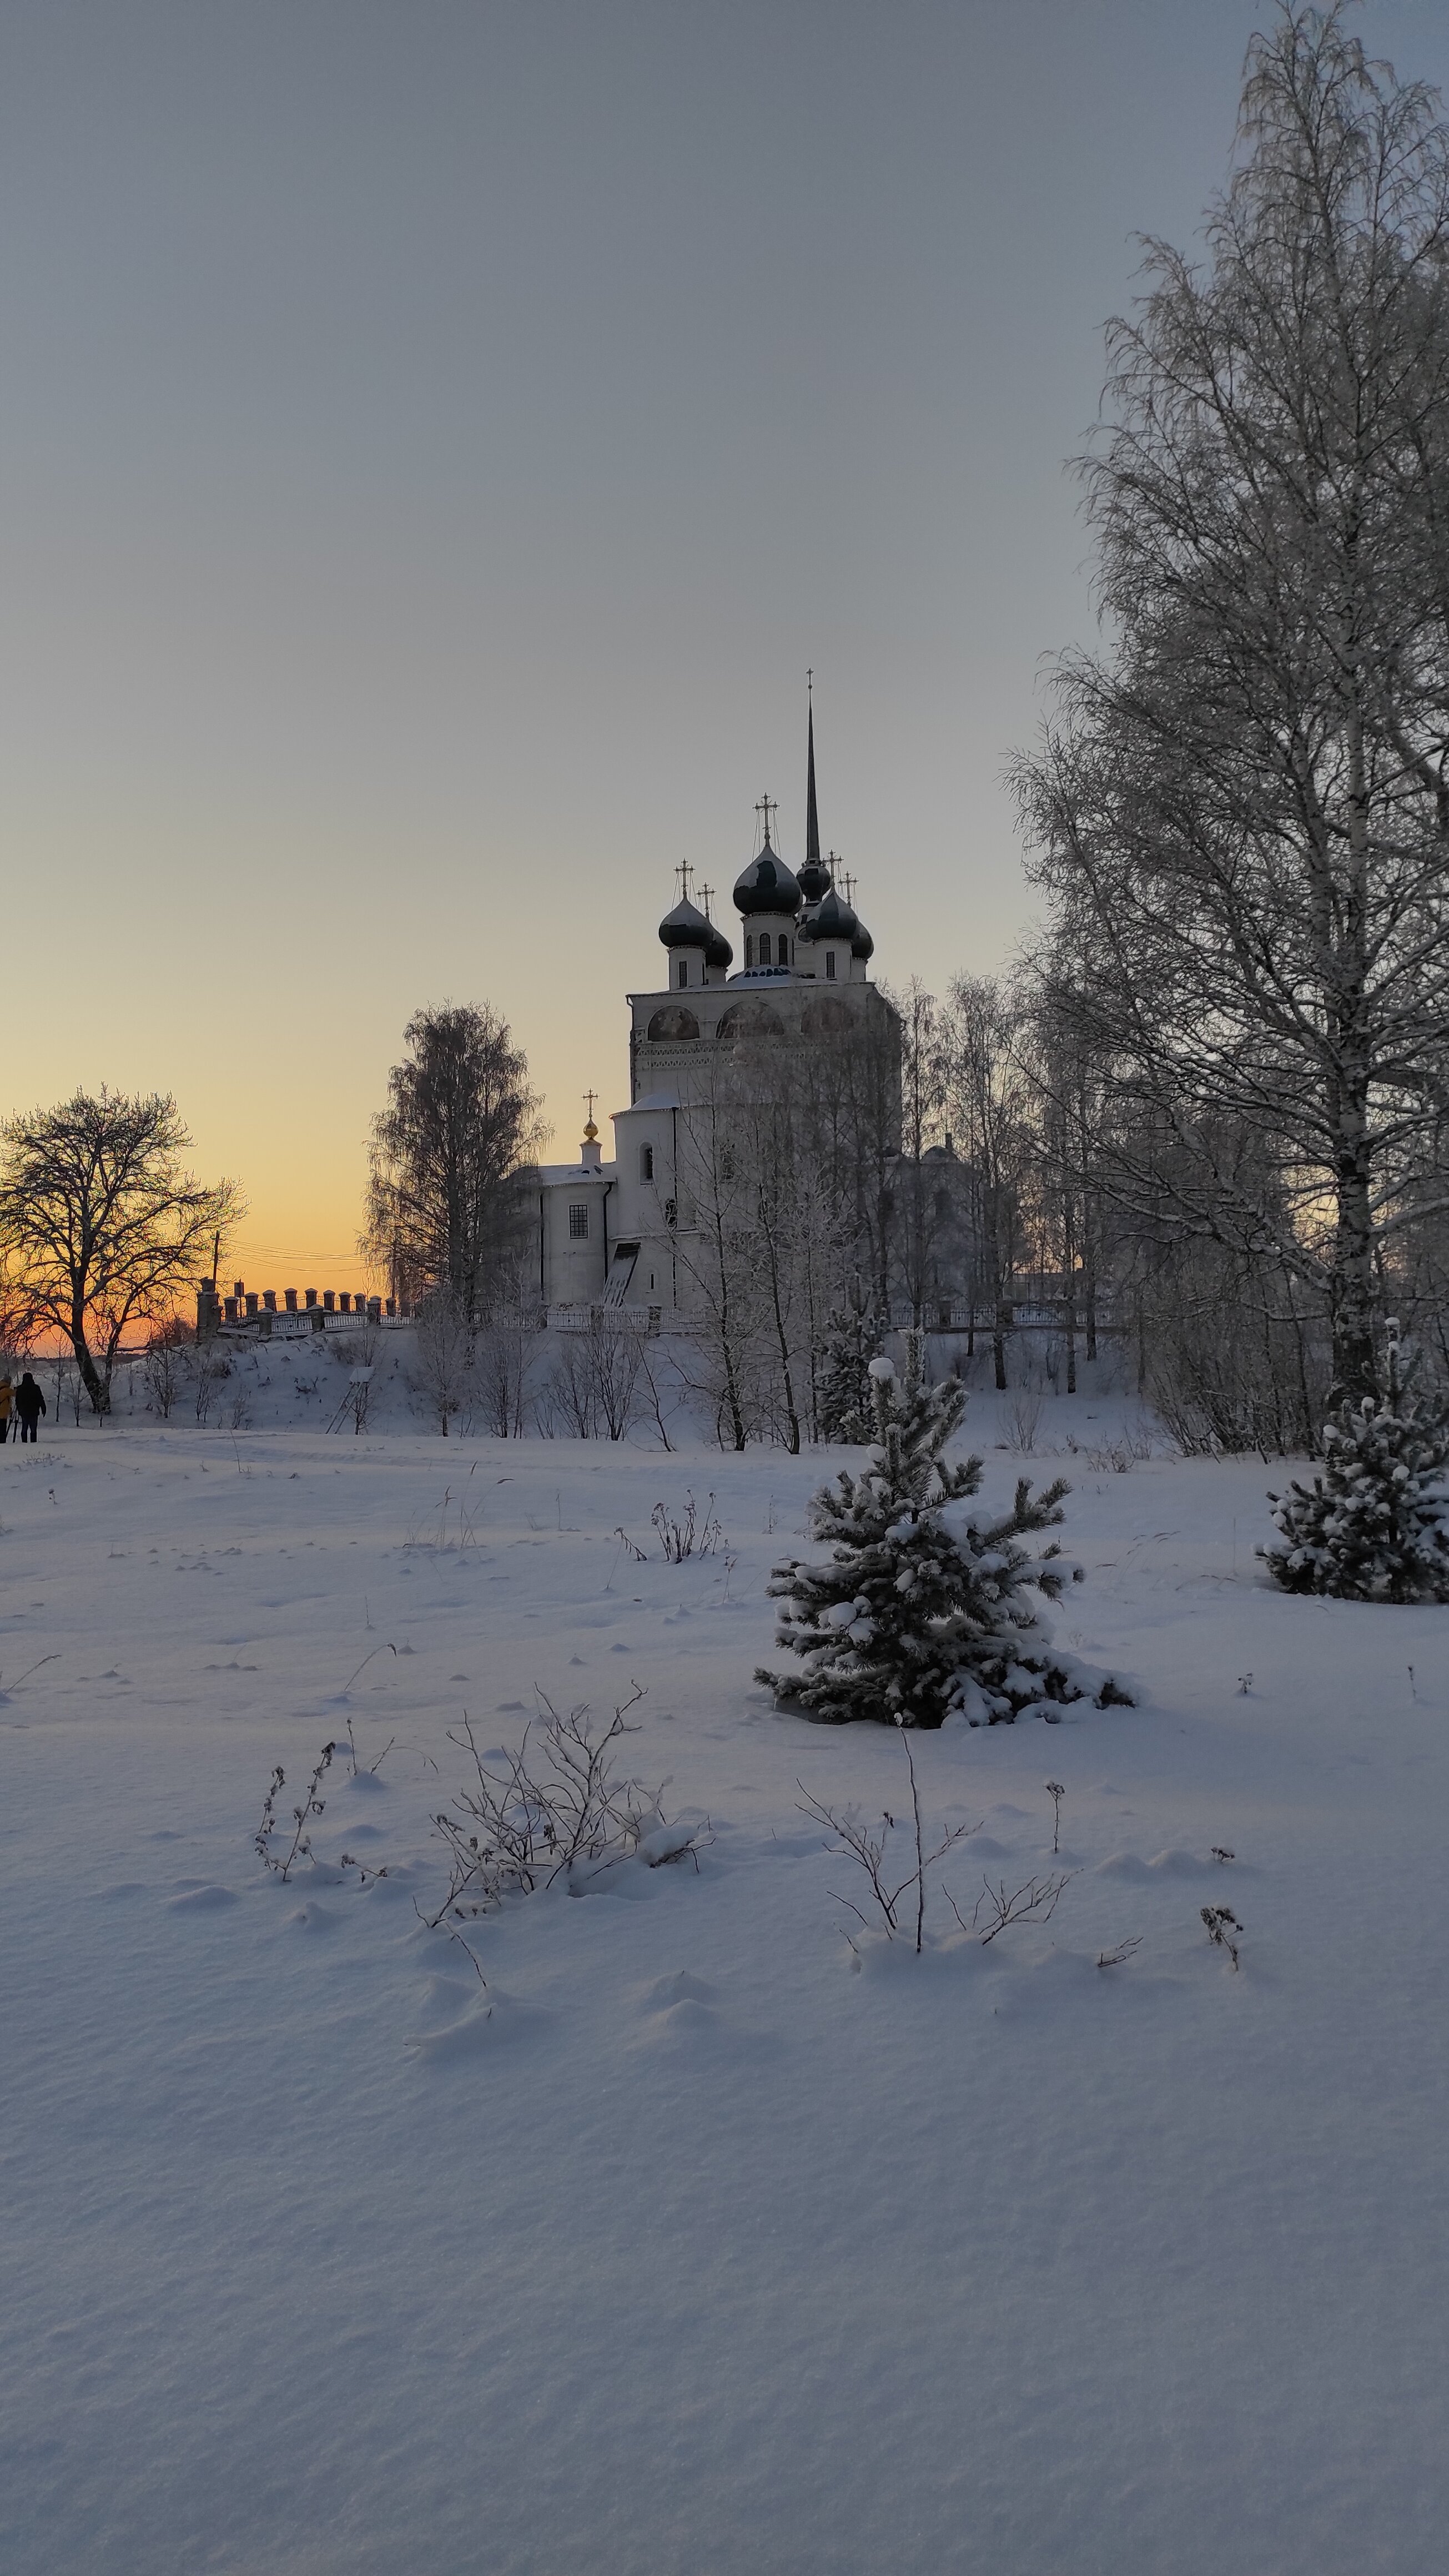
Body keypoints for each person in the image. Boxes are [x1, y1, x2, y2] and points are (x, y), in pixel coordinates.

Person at [14, 1371, 46, 1443]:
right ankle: (33, 1442)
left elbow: (17, 1401)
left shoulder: (20, 1389)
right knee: (33, 1429)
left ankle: (24, 1442)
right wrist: (43, 1408)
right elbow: (40, 1399)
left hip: (24, 1411)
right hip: (34, 1411)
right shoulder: (36, 1388)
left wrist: (19, 1410)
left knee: (24, 1428)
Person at [0, 1375, 11, 1443]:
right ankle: (2, 1441)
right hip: (3, 1413)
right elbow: (15, 1393)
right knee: (2, 1428)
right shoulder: (6, 1390)